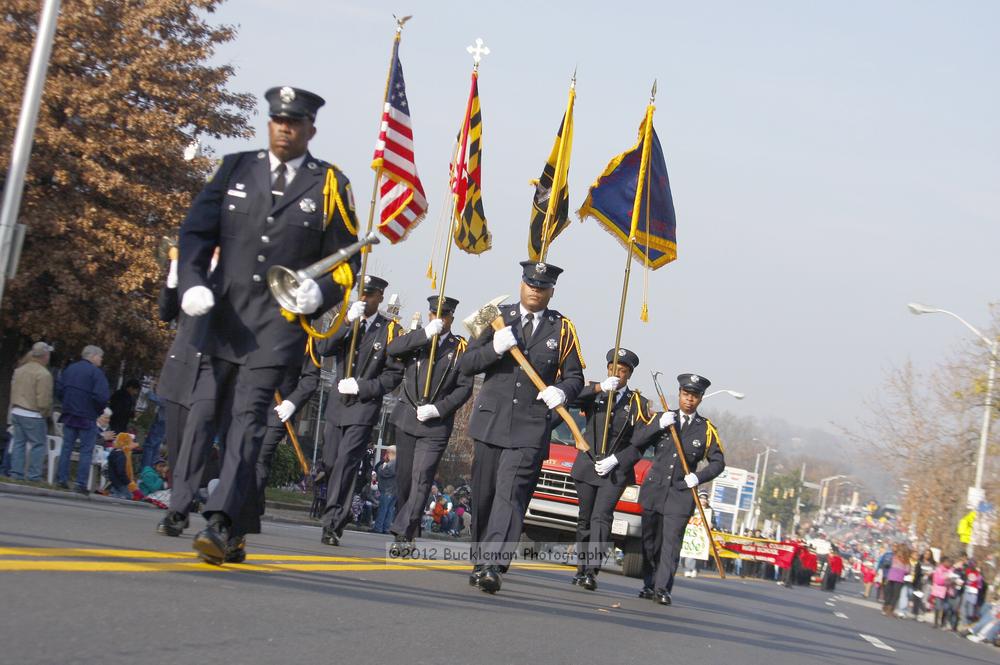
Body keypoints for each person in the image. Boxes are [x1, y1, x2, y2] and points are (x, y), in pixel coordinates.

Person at [175, 85, 358, 565]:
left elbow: (346, 259)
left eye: (294, 123)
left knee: (248, 420)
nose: (285, 129)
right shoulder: (236, 167)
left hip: (278, 322)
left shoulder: (329, 184)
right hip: (225, 313)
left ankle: (219, 522)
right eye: (278, 120)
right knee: (207, 410)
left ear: (310, 130)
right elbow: (195, 231)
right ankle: (230, 524)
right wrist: (192, 281)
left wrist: (322, 293)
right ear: (269, 123)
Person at [458, 260, 585, 594]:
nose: (535, 291)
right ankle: (479, 558)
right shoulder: (494, 316)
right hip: (490, 422)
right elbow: (466, 364)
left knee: (510, 494)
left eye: (542, 287)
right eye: (530, 284)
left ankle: (493, 564)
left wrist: (563, 390)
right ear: (521, 284)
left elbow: (575, 376)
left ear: (551, 292)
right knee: (483, 497)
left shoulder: (562, 329)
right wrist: (493, 349)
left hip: (530, 427)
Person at [317, 275, 403, 546]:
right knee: (331, 463)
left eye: (371, 295)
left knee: (345, 464)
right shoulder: (345, 319)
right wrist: (345, 323)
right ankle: (334, 511)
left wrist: (363, 386)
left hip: (363, 408)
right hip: (337, 406)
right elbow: (324, 348)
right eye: (361, 293)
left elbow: (393, 376)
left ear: (380, 297)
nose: (364, 299)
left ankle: (333, 523)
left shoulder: (388, 331)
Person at [385, 295, 473, 553]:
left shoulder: (460, 348)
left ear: (451, 318)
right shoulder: (416, 339)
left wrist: (439, 409)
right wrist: (424, 334)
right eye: (434, 314)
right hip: (407, 417)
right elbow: (392, 350)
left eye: (444, 315)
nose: (439, 319)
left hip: (435, 424)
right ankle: (409, 530)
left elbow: (464, 388)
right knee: (404, 481)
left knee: (421, 477)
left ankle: (402, 531)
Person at [630, 373, 726, 605]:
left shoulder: (706, 429)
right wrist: (656, 427)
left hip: (681, 493)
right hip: (655, 489)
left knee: (671, 543)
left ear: (701, 399)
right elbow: (637, 441)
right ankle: (649, 583)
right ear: (679, 394)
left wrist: (698, 477)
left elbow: (718, 462)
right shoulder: (663, 418)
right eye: (686, 394)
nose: (689, 400)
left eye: (694, 396)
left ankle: (662, 588)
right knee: (650, 541)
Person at [567, 347, 652, 591]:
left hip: (614, 471)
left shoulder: (638, 404)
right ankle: (580, 568)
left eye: (622, 371)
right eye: (613, 369)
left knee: (601, 518)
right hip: (587, 465)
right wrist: (599, 388)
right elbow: (570, 398)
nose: (617, 374)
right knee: (585, 519)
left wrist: (617, 460)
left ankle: (591, 571)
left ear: (629, 375)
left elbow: (639, 445)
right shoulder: (595, 391)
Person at [252, 352, 320, 519]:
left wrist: (292, 402)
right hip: (250, 403)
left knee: (259, 458)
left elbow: (311, 378)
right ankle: (254, 504)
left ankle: (247, 508)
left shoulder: (304, 336)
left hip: (278, 410)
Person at [55, 345, 111, 493]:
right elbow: (102, 396)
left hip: (69, 414)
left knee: (66, 448)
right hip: (87, 416)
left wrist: (66, 403)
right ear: (93, 356)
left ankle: (61, 479)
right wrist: (97, 411)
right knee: (86, 451)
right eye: (100, 357)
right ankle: (80, 483)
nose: (101, 360)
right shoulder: (97, 374)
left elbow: (60, 389)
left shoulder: (70, 369)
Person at [7, 341, 54, 481]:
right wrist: (45, 414)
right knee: (38, 444)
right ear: (45, 355)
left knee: (18, 443)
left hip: (17, 411)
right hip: (33, 414)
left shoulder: (20, 370)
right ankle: (34, 475)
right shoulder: (43, 374)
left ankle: (16, 473)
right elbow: (43, 400)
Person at [106, 432, 139, 500]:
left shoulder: (114, 452)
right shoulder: (121, 455)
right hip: (120, 482)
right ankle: (116, 495)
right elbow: (121, 472)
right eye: (130, 442)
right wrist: (128, 482)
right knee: (129, 497)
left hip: (114, 481)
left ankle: (114, 493)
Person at [371, 446, 397, 534]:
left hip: (388, 490)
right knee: (389, 510)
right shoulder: (397, 463)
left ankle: (378, 528)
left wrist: (382, 466)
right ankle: (386, 528)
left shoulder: (392, 463)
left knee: (383, 509)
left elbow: (385, 473)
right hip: (393, 490)